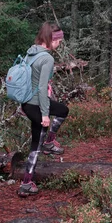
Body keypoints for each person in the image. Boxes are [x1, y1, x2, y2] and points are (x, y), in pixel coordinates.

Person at [18, 22, 69, 197]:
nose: (59, 44)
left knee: (62, 110)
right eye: (59, 41)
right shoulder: (47, 58)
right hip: (36, 104)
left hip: (27, 103)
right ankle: (25, 183)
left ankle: (48, 144)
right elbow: (41, 88)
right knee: (37, 145)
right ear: (52, 39)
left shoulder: (31, 52)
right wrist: (45, 114)